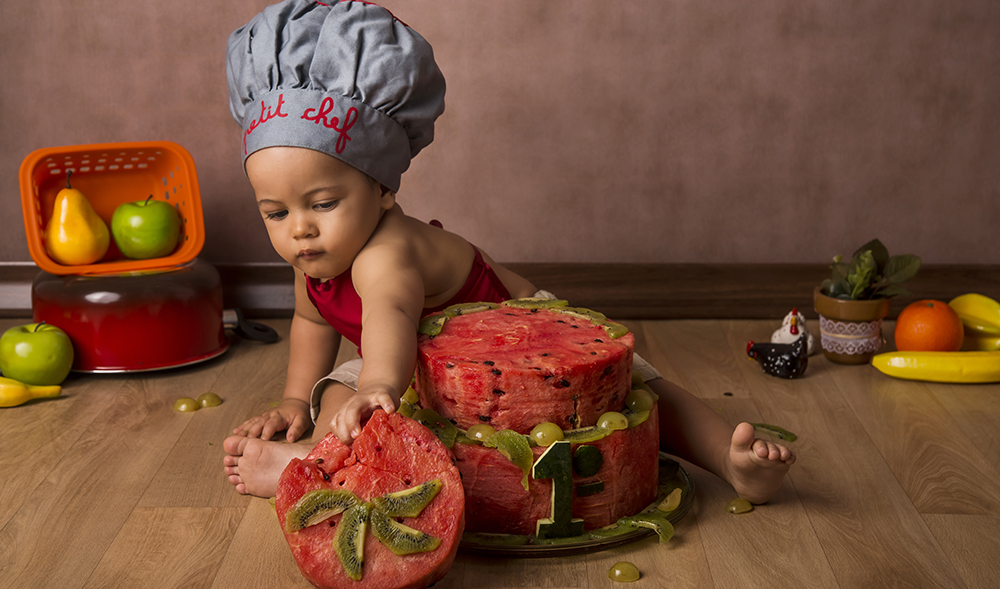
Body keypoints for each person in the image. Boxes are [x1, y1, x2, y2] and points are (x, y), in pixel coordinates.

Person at [222, 0, 795, 505]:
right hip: (426, 358)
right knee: (332, 395)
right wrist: (296, 397)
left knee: (641, 389)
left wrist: (377, 384)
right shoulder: (311, 258)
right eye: (276, 213)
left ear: (383, 190)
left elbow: (392, 316)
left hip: (521, 329)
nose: (299, 231)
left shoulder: (383, 254)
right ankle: (323, 458)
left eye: (322, 204)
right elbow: (309, 318)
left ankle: (730, 459)